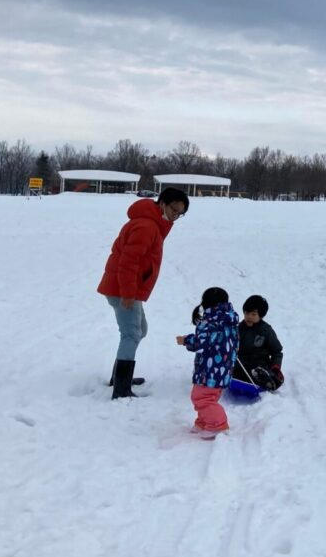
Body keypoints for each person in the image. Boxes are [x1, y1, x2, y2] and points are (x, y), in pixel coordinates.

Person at [97, 186, 190, 399]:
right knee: (131, 333)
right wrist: (128, 293)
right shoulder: (147, 226)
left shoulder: (154, 224)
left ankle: (120, 375)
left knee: (140, 329)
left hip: (127, 288)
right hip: (122, 289)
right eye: (174, 210)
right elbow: (128, 262)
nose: (175, 216)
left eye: (180, 214)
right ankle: (121, 387)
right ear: (162, 203)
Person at [176, 287, 239, 438]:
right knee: (209, 397)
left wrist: (186, 340)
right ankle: (204, 421)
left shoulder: (210, 322)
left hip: (209, 370)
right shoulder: (229, 320)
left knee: (201, 397)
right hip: (223, 368)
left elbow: (200, 343)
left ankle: (218, 425)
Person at [233, 295, 285, 392]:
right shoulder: (239, 328)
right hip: (242, 363)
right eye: (246, 313)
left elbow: (277, 352)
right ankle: (232, 376)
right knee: (233, 365)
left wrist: (275, 367)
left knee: (260, 372)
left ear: (261, 316)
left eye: (253, 314)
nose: (249, 317)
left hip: (259, 364)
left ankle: (268, 380)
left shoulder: (266, 331)